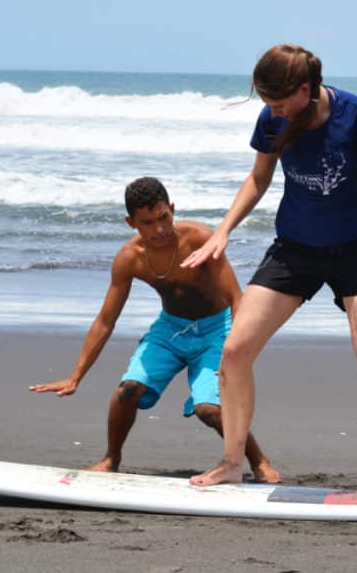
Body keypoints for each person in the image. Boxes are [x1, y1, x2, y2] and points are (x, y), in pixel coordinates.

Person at [182, 44, 357, 499]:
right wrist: (222, 231)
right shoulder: (273, 119)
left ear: (305, 90)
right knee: (234, 351)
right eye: (267, 103)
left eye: (280, 102)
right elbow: (258, 179)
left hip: (356, 250)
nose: (273, 111)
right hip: (295, 249)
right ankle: (232, 463)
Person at [29, 177, 280, 483]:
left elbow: (236, 299)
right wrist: (75, 376)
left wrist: (234, 352)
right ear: (130, 222)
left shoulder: (199, 238)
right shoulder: (129, 258)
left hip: (217, 329)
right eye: (148, 223)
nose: (159, 229)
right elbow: (106, 320)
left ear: (172, 209)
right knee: (128, 390)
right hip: (170, 331)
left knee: (209, 410)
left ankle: (258, 461)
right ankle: (111, 459)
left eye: (164, 217)